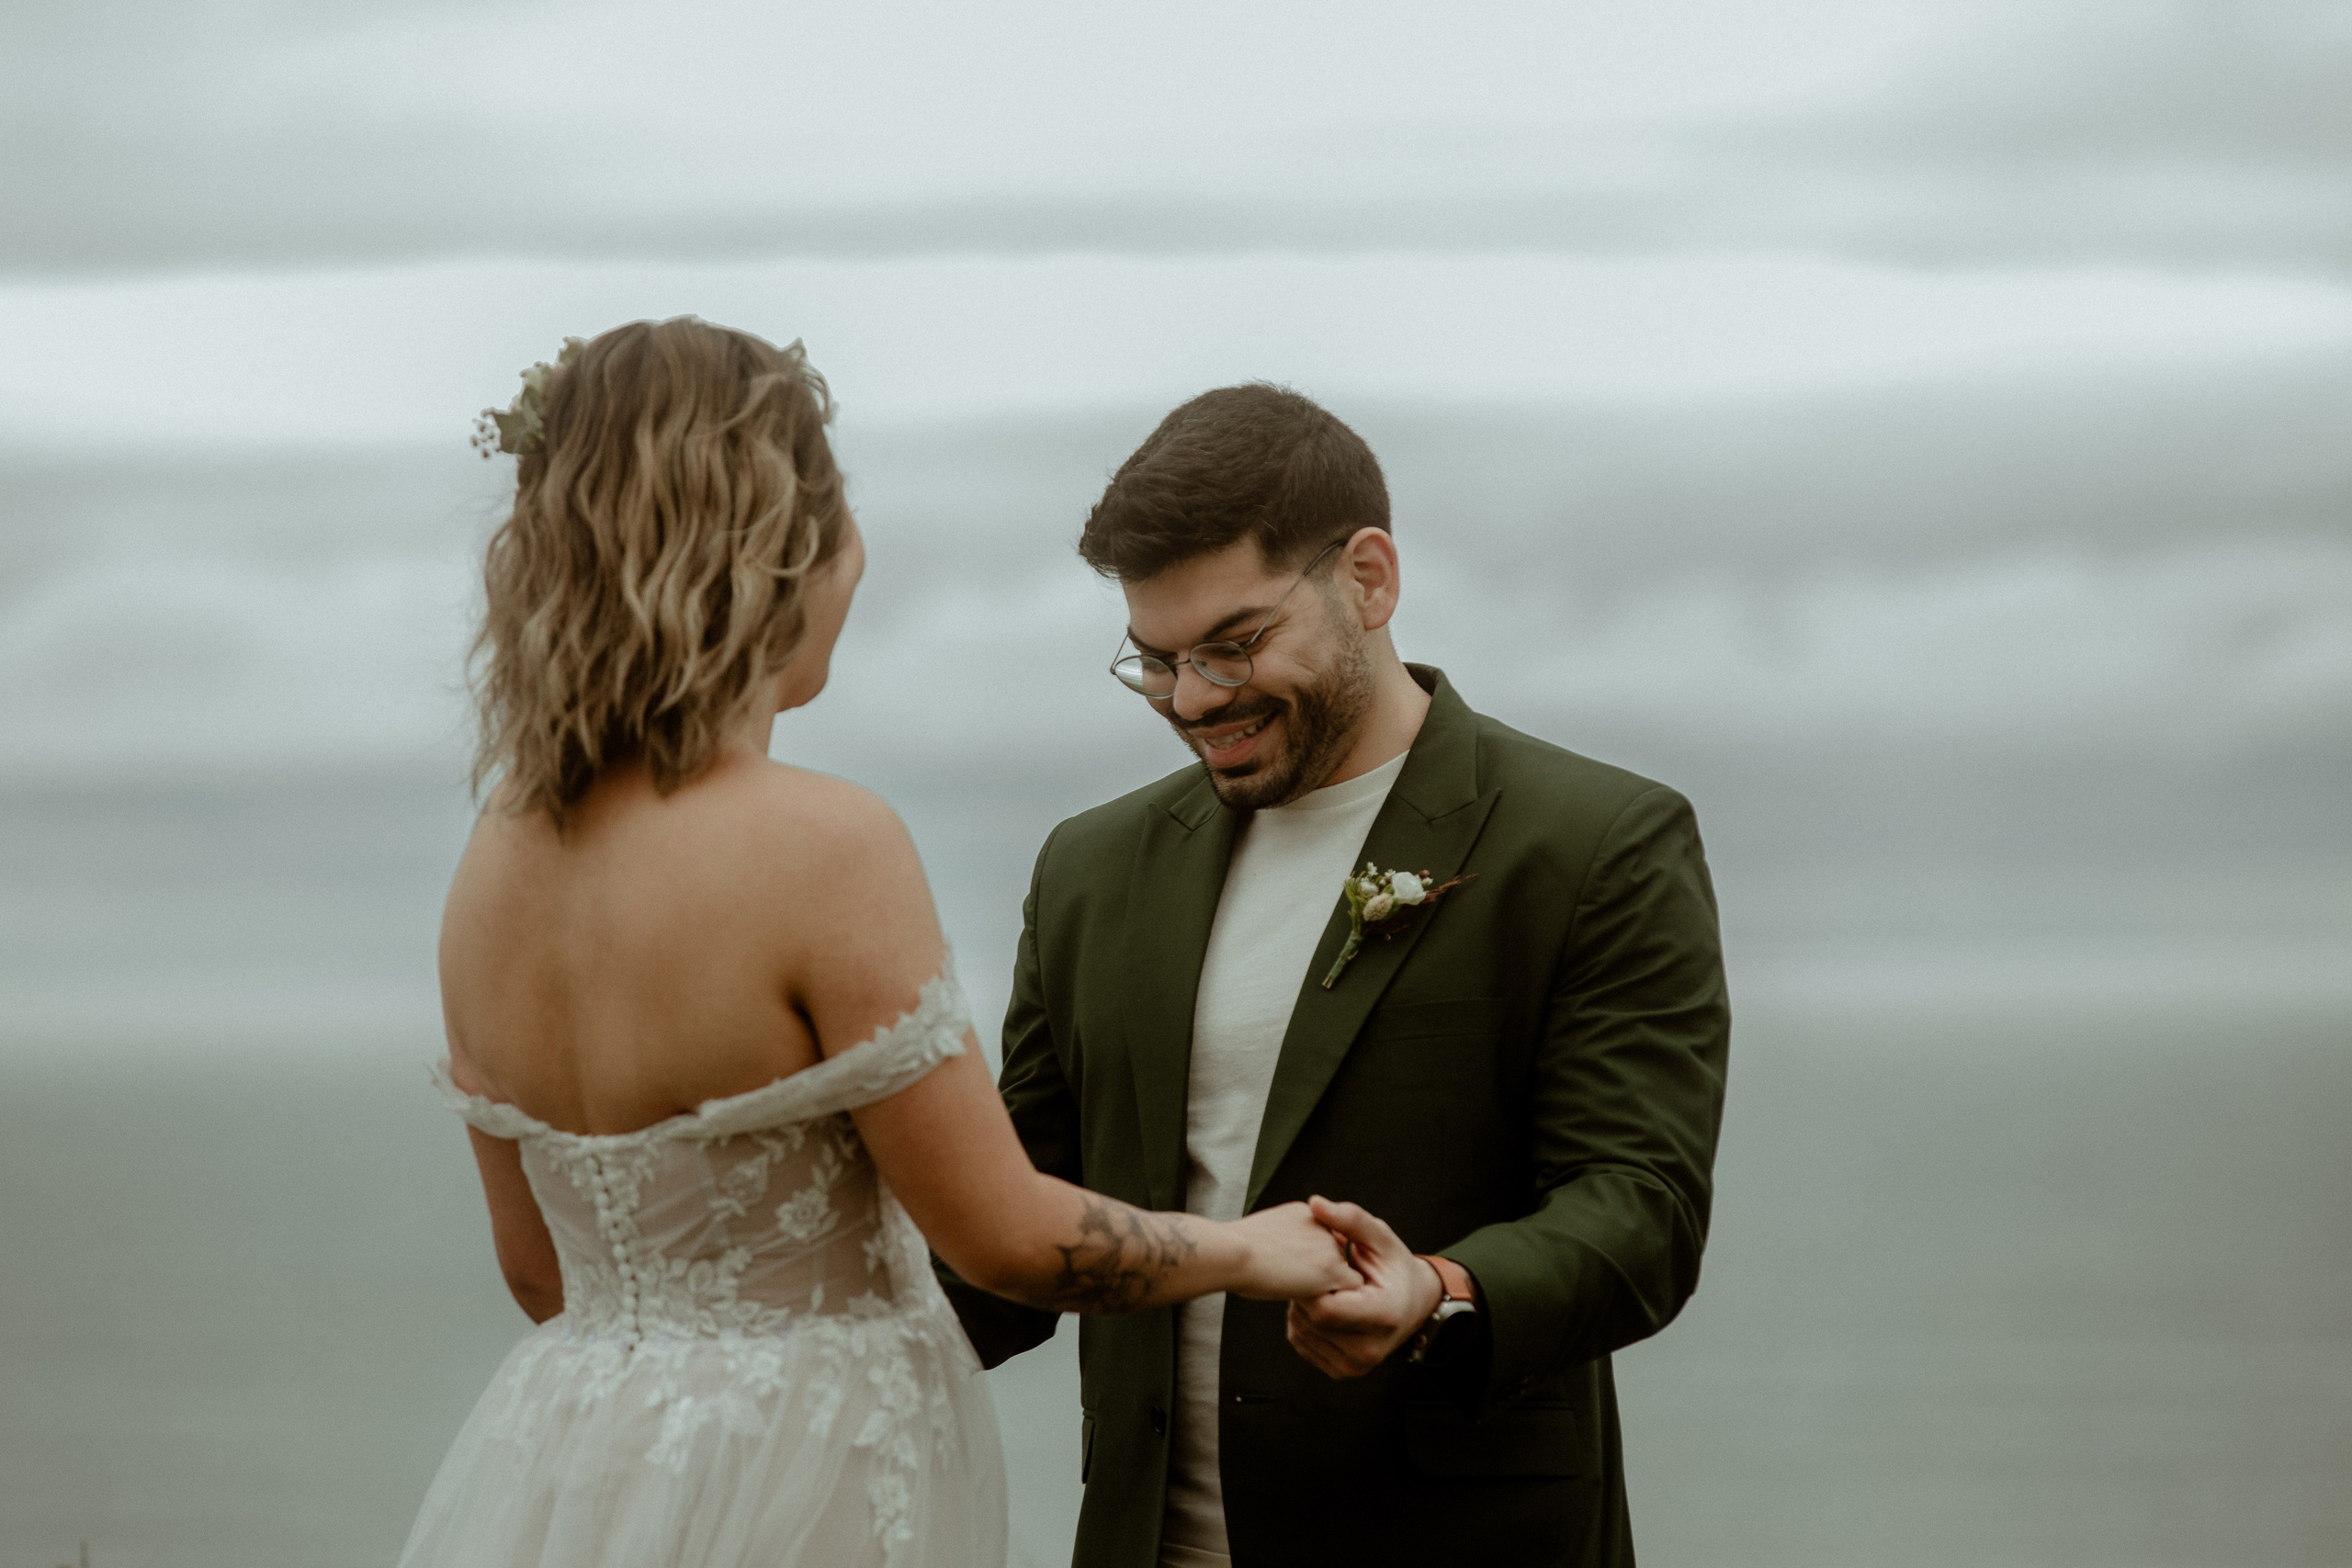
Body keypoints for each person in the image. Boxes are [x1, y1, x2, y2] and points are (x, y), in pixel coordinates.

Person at [400, 321, 1361, 1568]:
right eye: (838, 510)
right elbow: (1007, 1243)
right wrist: (1255, 1249)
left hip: (577, 1460)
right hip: (811, 1476)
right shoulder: (824, 844)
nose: (857, 556)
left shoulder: (495, 863)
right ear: (770, 552)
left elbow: (542, 1276)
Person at [939, 384, 1732, 1568]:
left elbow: (1640, 1210)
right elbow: (1018, 1232)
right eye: (1154, 662)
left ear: (1369, 579)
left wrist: (1442, 1289)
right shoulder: (1089, 870)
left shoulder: (1594, 841)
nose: (1195, 700)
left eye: (1236, 643)